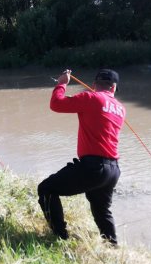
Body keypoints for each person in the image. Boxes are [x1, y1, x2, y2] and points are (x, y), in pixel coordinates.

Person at [37, 69, 125, 246]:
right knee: (102, 210)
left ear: (94, 85)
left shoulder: (90, 97)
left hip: (93, 167)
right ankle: (111, 245)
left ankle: (60, 238)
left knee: (46, 189)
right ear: (114, 87)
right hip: (113, 170)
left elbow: (57, 104)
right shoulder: (121, 108)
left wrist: (62, 83)